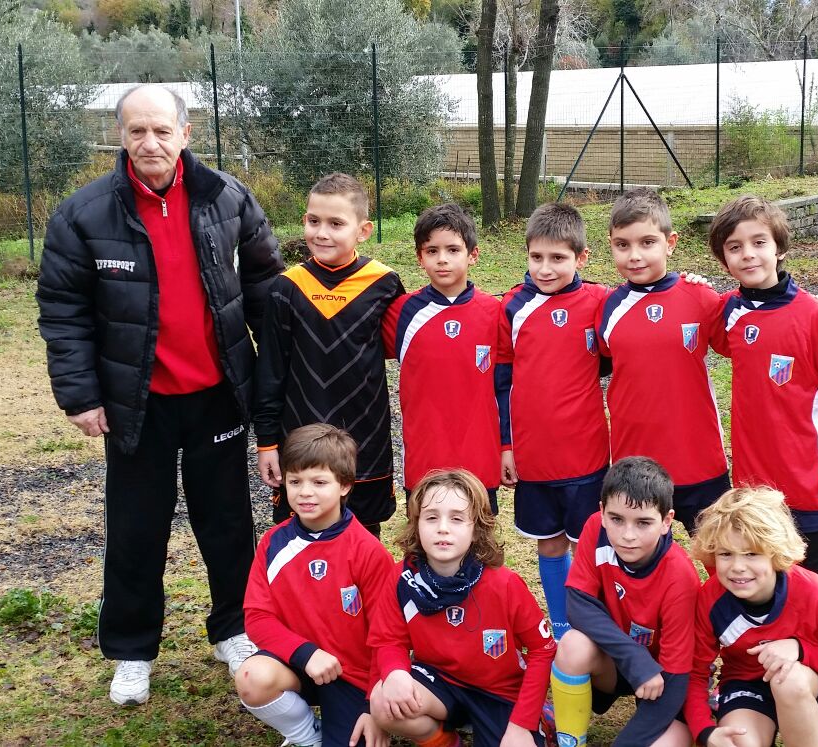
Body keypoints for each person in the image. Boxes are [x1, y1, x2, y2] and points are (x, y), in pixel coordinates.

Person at [36, 84, 283, 706]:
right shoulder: (82, 214)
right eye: (136, 132)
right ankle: (130, 651)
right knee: (135, 529)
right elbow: (63, 312)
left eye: (161, 131)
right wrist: (81, 396)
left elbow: (265, 288)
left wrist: (270, 384)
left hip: (217, 396)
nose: (150, 143)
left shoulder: (227, 198)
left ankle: (235, 629)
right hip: (134, 404)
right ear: (120, 137)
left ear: (185, 134)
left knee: (227, 523)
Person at [707, 195, 818, 589]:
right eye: (735, 247)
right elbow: (687, 311)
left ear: (779, 249)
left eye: (759, 242)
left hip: (810, 481)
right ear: (725, 261)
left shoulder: (812, 314)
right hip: (753, 483)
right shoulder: (728, 313)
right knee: (766, 579)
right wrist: (692, 283)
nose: (748, 255)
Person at [253, 173, 405, 537]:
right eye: (313, 220)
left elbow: (404, 348)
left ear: (363, 230)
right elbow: (270, 372)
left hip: (365, 437)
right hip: (301, 435)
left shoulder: (384, 283)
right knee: (300, 534)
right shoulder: (286, 287)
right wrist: (267, 442)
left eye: (336, 223)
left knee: (363, 535)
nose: (321, 233)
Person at [368, 470, 556, 747]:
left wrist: (521, 724)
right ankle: (446, 740)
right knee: (383, 700)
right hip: (439, 681)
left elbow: (542, 650)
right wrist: (395, 672)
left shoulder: (505, 584)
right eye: (431, 517)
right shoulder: (401, 579)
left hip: (499, 691)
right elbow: (388, 640)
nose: (443, 528)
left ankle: (540, 719)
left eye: (457, 518)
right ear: (416, 524)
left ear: (476, 528)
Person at [236, 424, 394, 747]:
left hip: (354, 677)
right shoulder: (273, 543)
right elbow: (256, 617)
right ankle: (307, 735)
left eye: (319, 482)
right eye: (295, 482)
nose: (305, 492)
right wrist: (305, 653)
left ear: (345, 485)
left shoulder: (368, 552)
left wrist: (373, 707)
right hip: (297, 664)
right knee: (252, 678)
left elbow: (387, 634)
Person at [496, 203, 611, 640]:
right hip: (533, 458)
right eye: (536, 257)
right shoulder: (511, 307)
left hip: (587, 455)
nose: (545, 268)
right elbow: (501, 382)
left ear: (581, 258)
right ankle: (562, 628)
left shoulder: (600, 301)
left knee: (593, 548)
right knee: (549, 543)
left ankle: (595, 627)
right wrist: (505, 446)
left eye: (558, 258)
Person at [687, 488, 818, 747]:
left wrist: (800, 650)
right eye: (725, 554)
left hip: (807, 682)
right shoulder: (711, 598)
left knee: (788, 681)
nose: (738, 567)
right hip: (746, 684)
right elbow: (695, 671)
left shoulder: (817, 595)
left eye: (751, 554)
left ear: (774, 552)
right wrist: (704, 730)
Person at [597, 188, 731, 533]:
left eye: (647, 243)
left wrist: (810, 310)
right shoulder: (607, 308)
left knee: (718, 555)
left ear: (670, 243)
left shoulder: (701, 296)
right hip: (634, 463)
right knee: (642, 563)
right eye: (622, 245)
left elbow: (750, 332)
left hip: (698, 459)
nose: (634, 255)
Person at [549, 457, 699, 747]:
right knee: (572, 645)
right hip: (618, 664)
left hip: (664, 681)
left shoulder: (681, 576)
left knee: (672, 740)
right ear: (603, 513)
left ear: (667, 521)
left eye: (643, 523)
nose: (628, 535)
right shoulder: (596, 528)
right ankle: (570, 742)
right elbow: (578, 604)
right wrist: (634, 658)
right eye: (617, 519)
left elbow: (677, 675)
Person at [382, 205, 502, 510]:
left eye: (452, 249)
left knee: (479, 544)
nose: (442, 259)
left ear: (472, 254)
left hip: (479, 459)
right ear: (420, 257)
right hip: (425, 457)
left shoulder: (495, 312)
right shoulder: (401, 312)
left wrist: (507, 448)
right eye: (432, 250)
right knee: (424, 542)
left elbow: (508, 384)